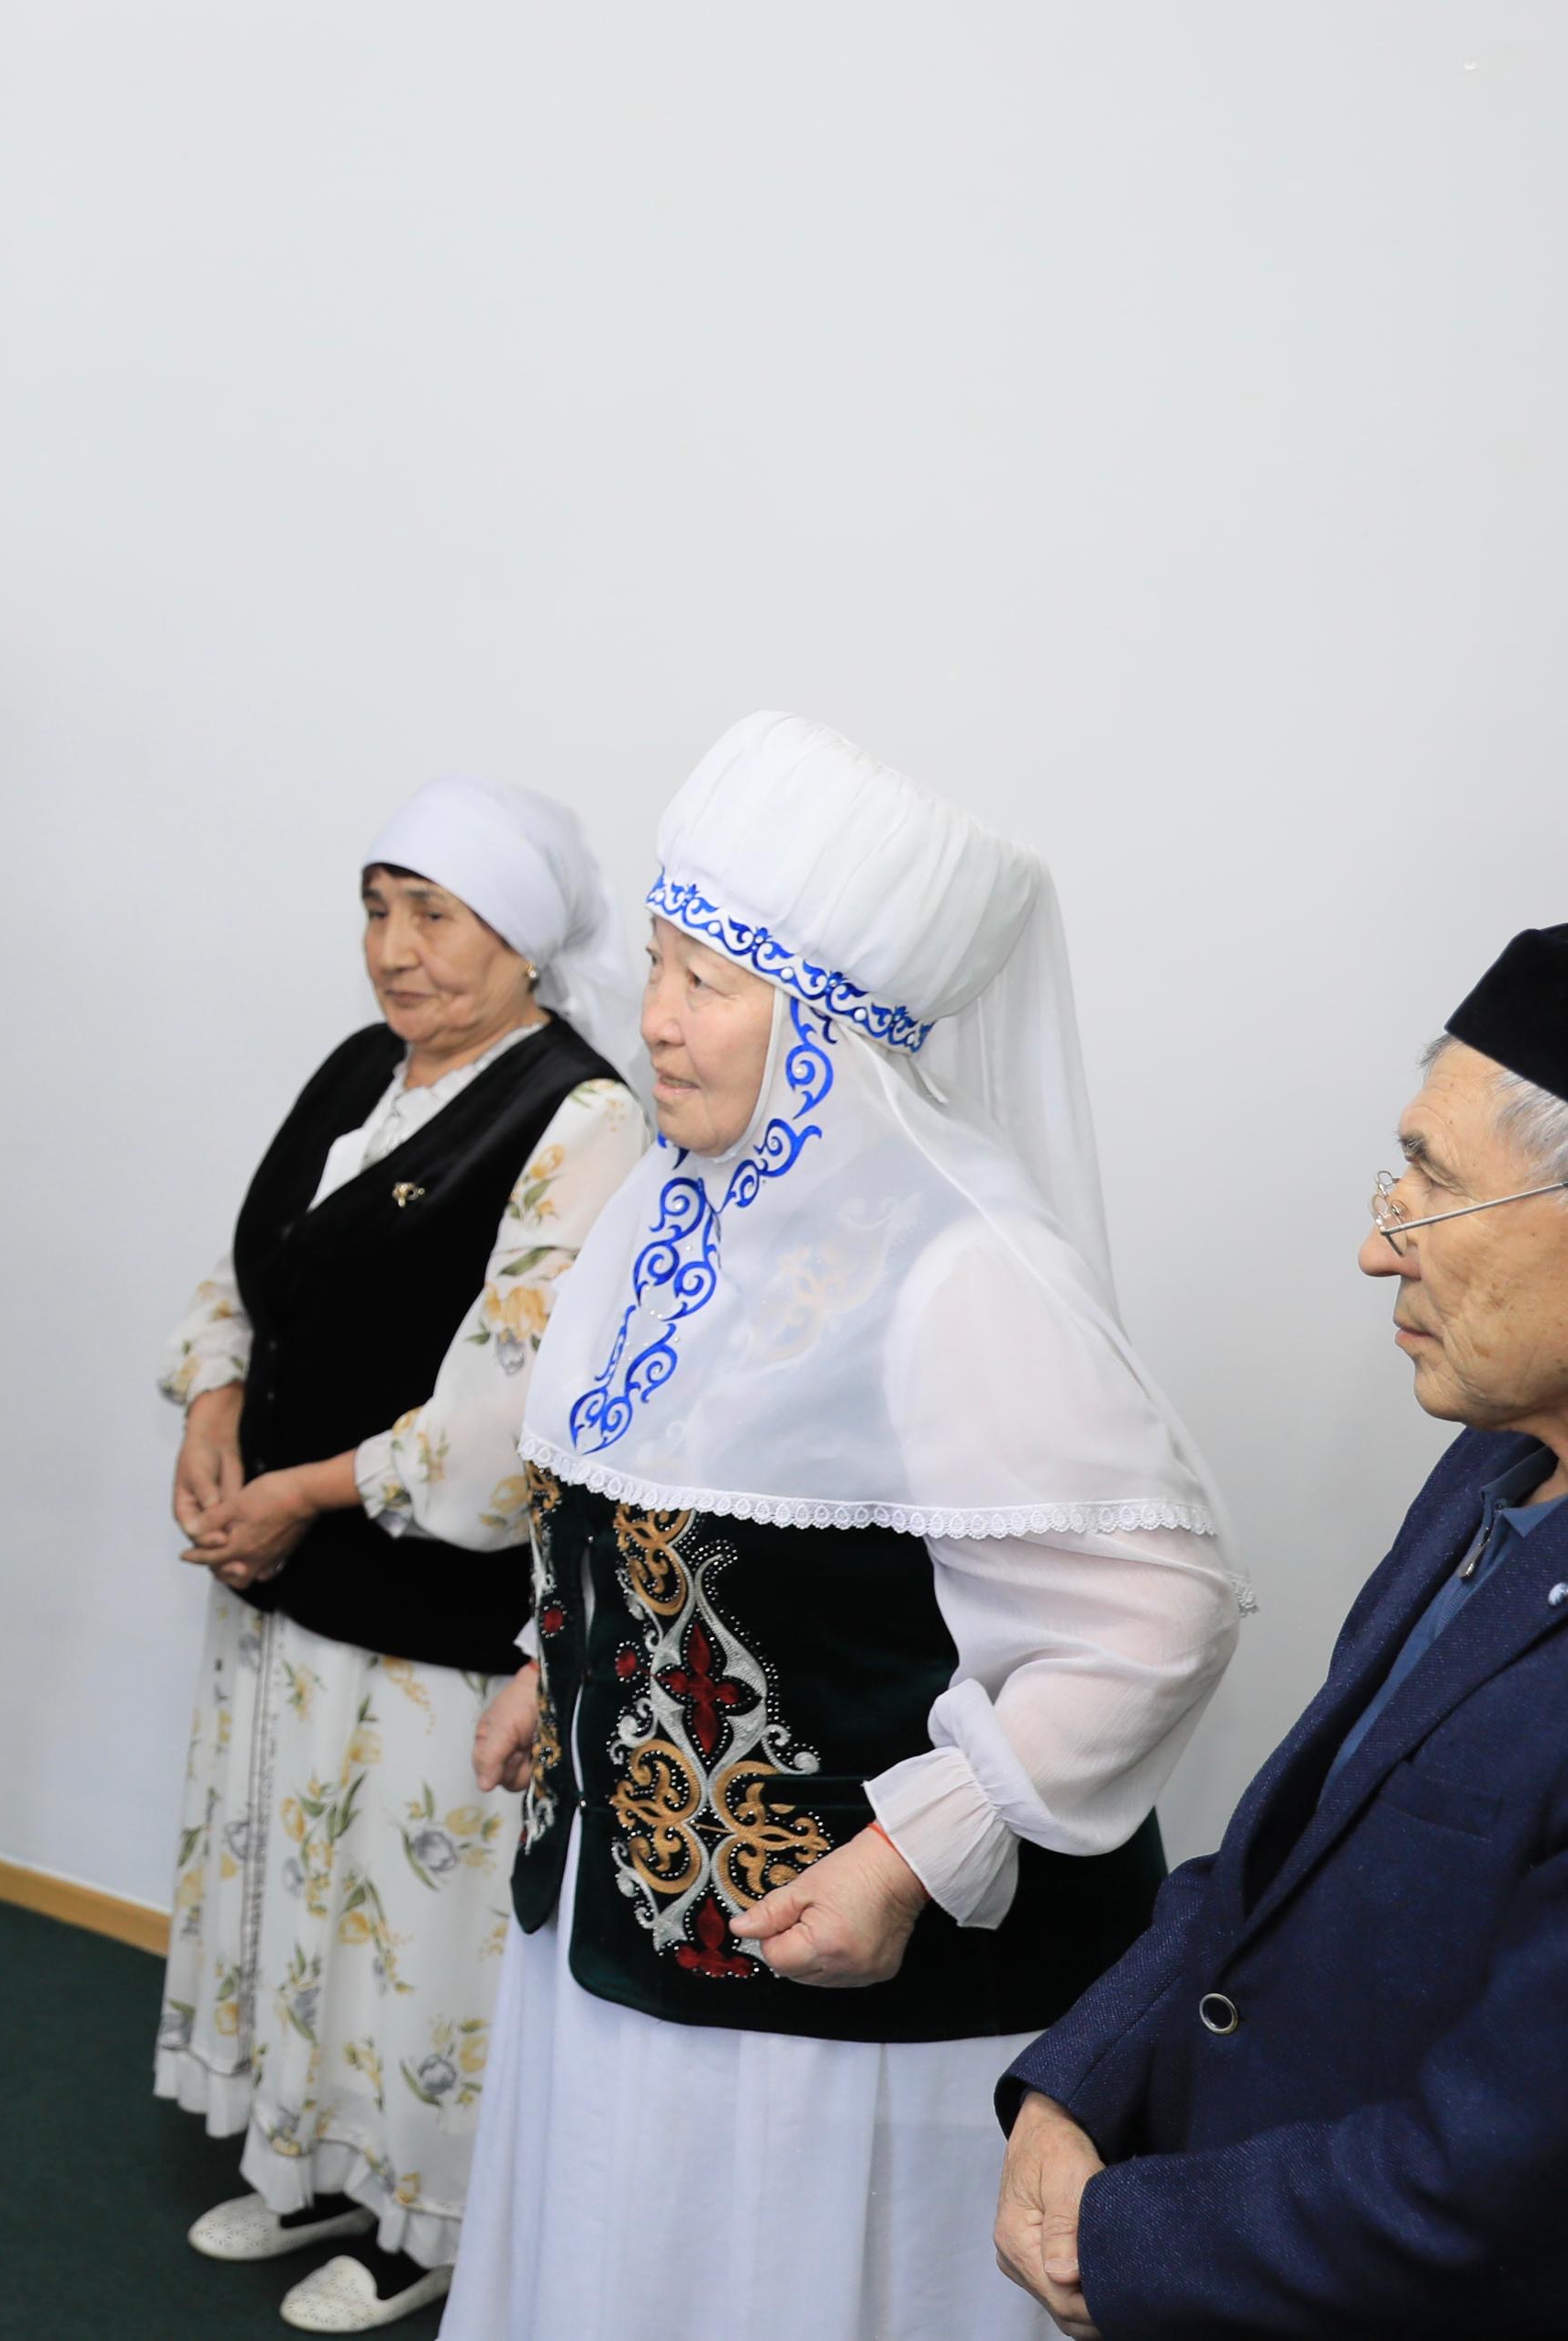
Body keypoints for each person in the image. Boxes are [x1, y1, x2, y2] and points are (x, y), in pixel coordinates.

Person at [444, 711, 1242, 2341]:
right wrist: (556, 1659)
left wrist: (907, 1851)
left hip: (826, 2016)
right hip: (623, 1940)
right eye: (654, 964)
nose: (654, 1019)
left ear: (827, 1026)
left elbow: (1159, 1611)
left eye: (709, 981)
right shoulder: (669, 1210)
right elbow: (641, 1505)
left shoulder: (963, 1272)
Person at [994, 931, 1568, 2339]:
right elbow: (1280, 1851)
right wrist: (1075, 2084)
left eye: (1434, 1185)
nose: (1379, 1245)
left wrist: (1117, 2237)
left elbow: (1494, 2179)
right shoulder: (1489, 1473)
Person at [157, 776, 652, 2331]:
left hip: (428, 1619)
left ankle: (421, 2216)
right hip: (289, 1589)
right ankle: (308, 2158)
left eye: (435, 913)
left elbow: (512, 1414)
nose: (394, 947)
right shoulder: (360, 1069)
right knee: (305, 1898)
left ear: (524, 936)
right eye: (378, 908)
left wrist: (298, 1493)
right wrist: (213, 1411)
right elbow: (253, 1269)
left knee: (412, 1929)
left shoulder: (583, 1117)